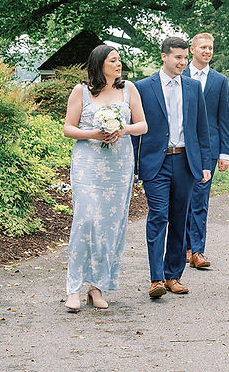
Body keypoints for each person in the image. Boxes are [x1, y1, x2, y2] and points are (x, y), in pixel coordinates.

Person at [62, 45, 147, 312]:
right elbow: (68, 128)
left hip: (119, 165)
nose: (118, 64)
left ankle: (97, 287)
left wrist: (123, 129)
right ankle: (73, 289)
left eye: (119, 60)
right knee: (86, 221)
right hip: (88, 163)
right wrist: (93, 134)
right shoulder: (81, 91)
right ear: (99, 64)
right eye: (113, 60)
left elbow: (142, 125)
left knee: (111, 226)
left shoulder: (129, 89)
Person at [132, 36, 213, 299]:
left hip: (185, 162)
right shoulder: (143, 87)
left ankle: (173, 276)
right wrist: (133, 166)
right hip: (156, 163)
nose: (182, 62)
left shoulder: (192, 87)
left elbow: (202, 129)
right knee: (158, 216)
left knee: (180, 219)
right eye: (177, 57)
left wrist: (204, 165)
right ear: (164, 57)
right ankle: (156, 278)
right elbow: (136, 133)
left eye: (184, 58)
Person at [184, 32, 229, 270]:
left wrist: (224, 152)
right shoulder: (179, 74)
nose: (207, 51)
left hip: (209, 149)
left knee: (200, 199)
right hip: (181, 146)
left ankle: (198, 250)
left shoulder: (219, 80)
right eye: (203, 47)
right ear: (192, 49)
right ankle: (184, 247)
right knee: (182, 198)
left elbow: (224, 118)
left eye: (210, 47)